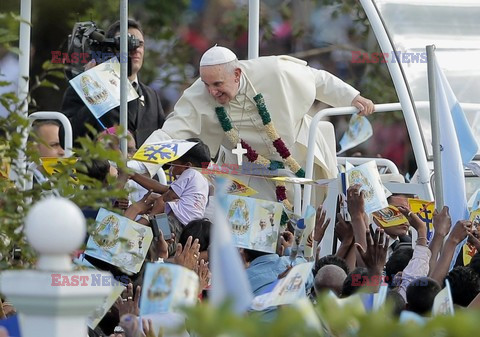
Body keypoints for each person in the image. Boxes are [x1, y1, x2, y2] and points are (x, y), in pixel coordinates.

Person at [143, 45, 375, 205]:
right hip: (247, 169)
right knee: (255, 228)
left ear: (236, 74)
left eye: (217, 84)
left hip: (298, 154)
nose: (211, 92)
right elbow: (170, 132)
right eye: (206, 84)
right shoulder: (199, 95)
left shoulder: (275, 70)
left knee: (314, 212)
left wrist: (352, 98)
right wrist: (140, 166)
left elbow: (318, 79)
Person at [61, 19, 165, 146]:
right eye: (127, 43)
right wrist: (95, 91)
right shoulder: (84, 88)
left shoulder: (151, 96)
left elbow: (162, 139)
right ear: (111, 49)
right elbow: (67, 138)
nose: (136, 48)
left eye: (140, 44)